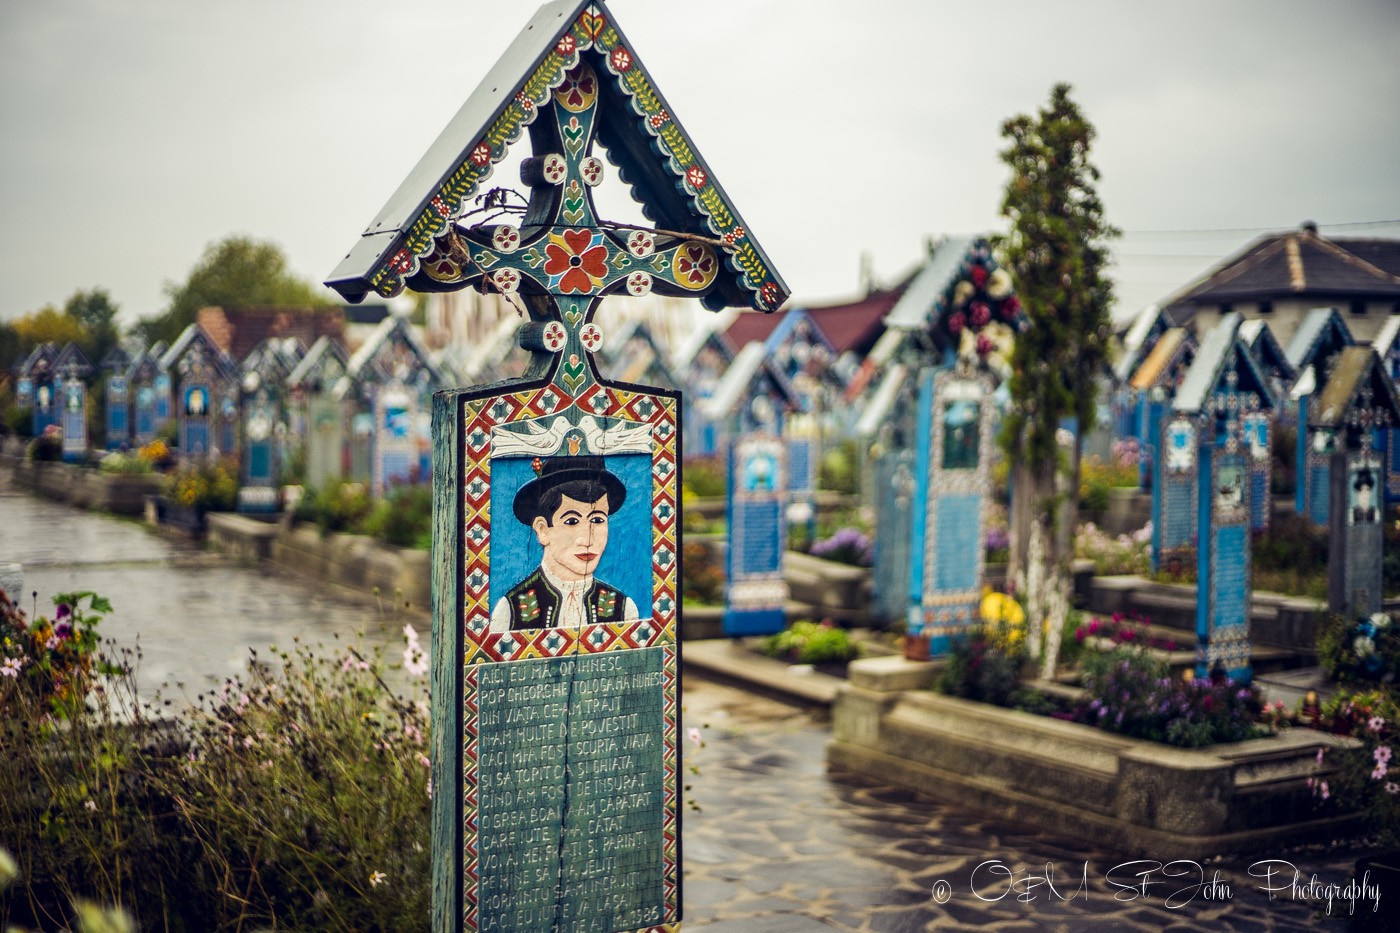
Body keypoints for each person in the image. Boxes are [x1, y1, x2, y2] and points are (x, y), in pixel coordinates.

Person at [490, 455, 639, 632]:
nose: (587, 540)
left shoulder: (623, 609)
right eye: (571, 521)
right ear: (543, 530)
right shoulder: (509, 612)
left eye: (598, 520)